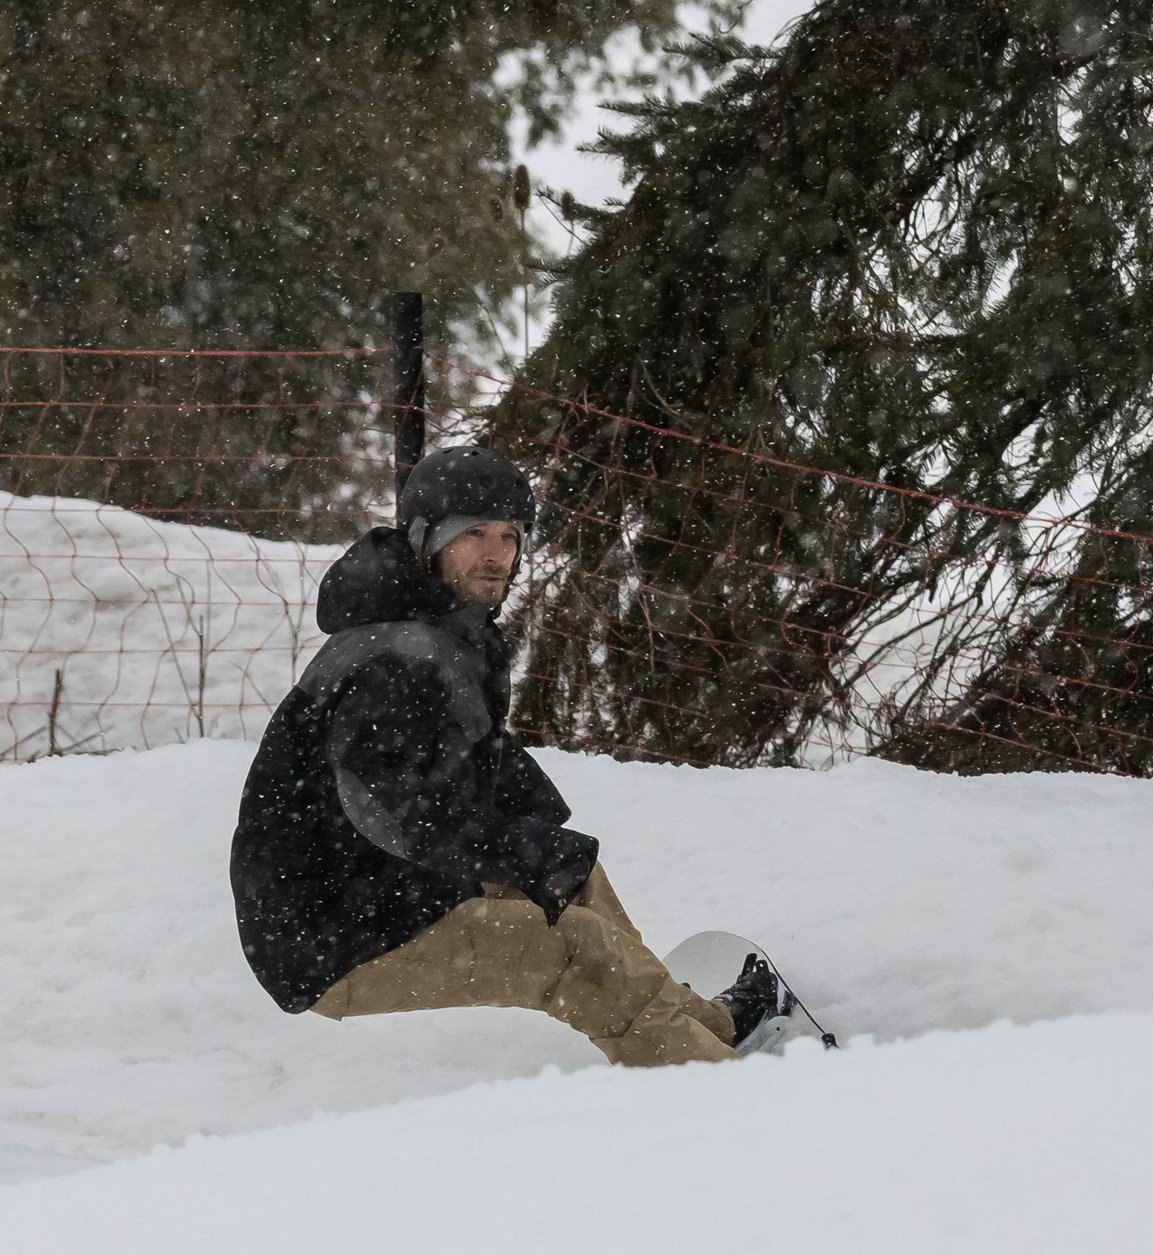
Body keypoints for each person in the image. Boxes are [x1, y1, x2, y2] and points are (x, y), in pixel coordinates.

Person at [228, 444, 787, 1066]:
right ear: (425, 540)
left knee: (572, 879)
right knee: (573, 952)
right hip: (335, 936)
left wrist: (532, 824)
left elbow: (456, 742)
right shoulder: (388, 661)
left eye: (508, 535)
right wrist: (515, 845)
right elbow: (388, 811)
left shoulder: (435, 625)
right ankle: (714, 1085)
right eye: (471, 534)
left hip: (390, 888)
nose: (495, 555)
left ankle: (694, 1026)